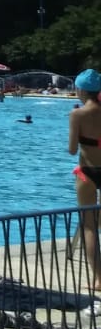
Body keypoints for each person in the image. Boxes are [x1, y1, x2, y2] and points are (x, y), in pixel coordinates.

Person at [66, 69, 101, 290]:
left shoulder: (77, 115)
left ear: (80, 90)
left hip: (87, 172)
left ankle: (99, 279)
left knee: (90, 227)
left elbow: (71, 150)